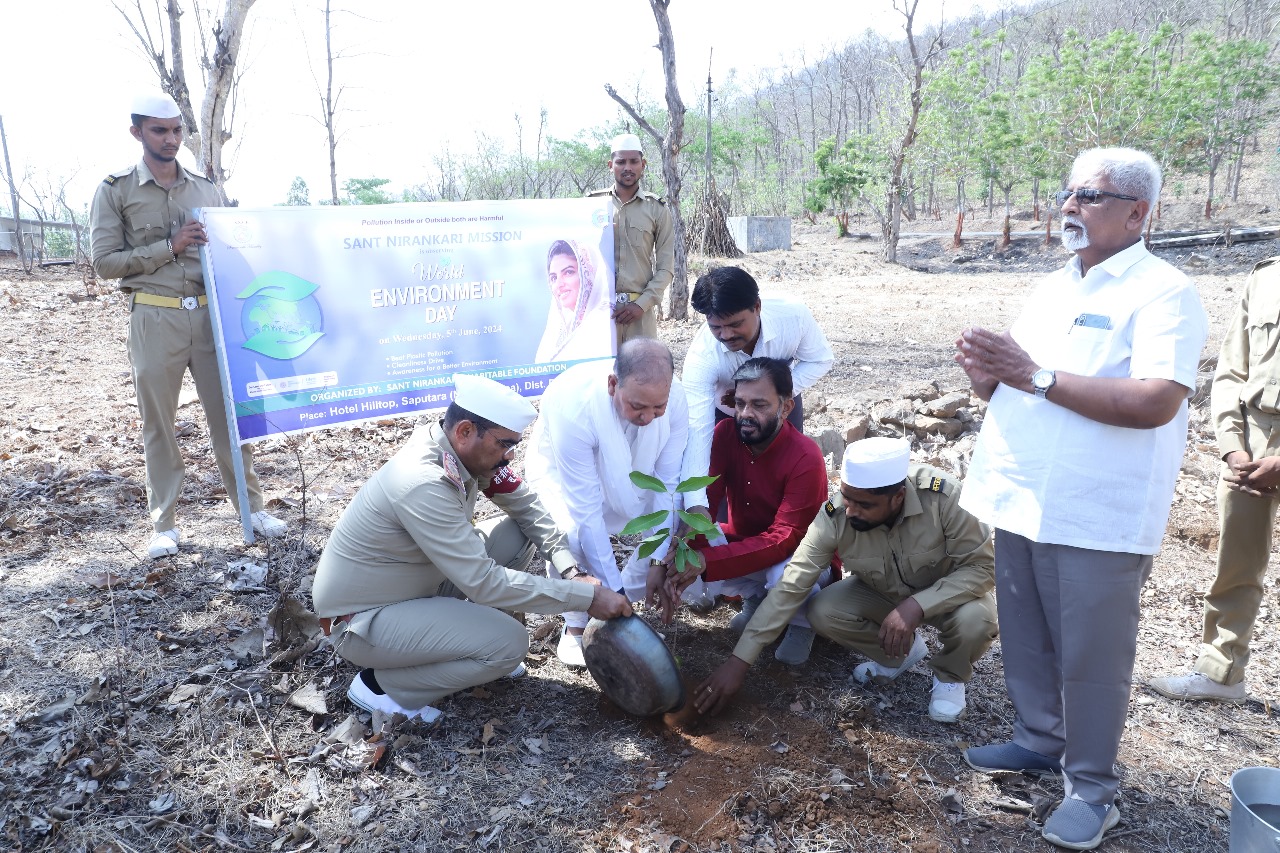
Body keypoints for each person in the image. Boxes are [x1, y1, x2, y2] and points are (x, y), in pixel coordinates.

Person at [954, 147, 1208, 851]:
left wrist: (1028, 372)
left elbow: (1156, 399)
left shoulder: (1164, 292)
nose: (1069, 206)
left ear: (1137, 212)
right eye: (1066, 193)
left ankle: (1093, 787)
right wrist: (988, 375)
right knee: (1028, 633)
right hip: (1022, 492)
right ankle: (1039, 738)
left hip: (1098, 509)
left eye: (1089, 196)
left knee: (1091, 656)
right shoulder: (1054, 287)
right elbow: (1028, 383)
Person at [312, 374, 632, 723]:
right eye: (505, 445)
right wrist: (584, 598)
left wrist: (571, 568)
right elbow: (483, 582)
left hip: (414, 587)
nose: (509, 457)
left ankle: (476, 643)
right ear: (465, 431)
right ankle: (382, 686)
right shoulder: (423, 482)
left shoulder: (463, 452)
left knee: (517, 532)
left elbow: (528, 510)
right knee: (510, 644)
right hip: (362, 620)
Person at [90, 92, 286, 559]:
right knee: (159, 423)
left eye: (177, 129)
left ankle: (251, 507)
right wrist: (169, 247)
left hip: (210, 315)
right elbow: (103, 262)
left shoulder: (204, 188)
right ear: (137, 132)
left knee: (230, 419)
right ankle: (164, 524)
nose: (171, 138)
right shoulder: (115, 190)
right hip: (154, 316)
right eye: (160, 130)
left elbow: (229, 251)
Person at [690, 437, 996, 723]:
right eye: (847, 499)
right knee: (823, 610)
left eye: (864, 505)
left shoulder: (943, 498)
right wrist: (738, 662)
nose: (850, 512)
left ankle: (950, 676)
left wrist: (917, 605)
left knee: (977, 620)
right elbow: (791, 585)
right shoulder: (836, 514)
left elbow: (982, 567)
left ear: (898, 497)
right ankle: (900, 654)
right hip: (883, 594)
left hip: (947, 594)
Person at [1150, 255, 1280, 704]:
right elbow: (1231, 370)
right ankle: (1221, 674)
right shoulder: (1266, 277)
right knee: (1236, 568)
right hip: (1254, 443)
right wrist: (1232, 444)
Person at [525, 338, 688, 666]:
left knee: (676, 517)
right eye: (637, 407)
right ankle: (576, 627)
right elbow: (585, 511)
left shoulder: (677, 401)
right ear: (613, 385)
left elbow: (666, 485)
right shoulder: (574, 406)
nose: (648, 418)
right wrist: (614, 593)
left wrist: (657, 562)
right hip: (565, 476)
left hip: (633, 476)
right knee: (569, 534)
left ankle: (622, 609)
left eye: (658, 408)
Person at [663, 357, 828, 665]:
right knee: (688, 545)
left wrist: (707, 562)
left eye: (759, 405)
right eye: (740, 404)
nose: (746, 415)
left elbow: (786, 538)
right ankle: (756, 600)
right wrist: (682, 551)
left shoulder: (806, 456)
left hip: (801, 556)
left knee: (785, 574)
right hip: (746, 541)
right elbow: (705, 503)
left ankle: (802, 625)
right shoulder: (726, 434)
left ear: (786, 407)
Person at [679, 266, 833, 523]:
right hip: (723, 413)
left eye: (735, 324)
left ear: (757, 307)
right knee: (720, 486)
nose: (726, 335)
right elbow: (697, 431)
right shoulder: (702, 357)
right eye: (716, 327)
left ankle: (783, 536)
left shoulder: (792, 317)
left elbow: (820, 359)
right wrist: (696, 503)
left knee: (782, 473)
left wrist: (773, 395)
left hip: (782, 404)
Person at [587, 133, 675, 346]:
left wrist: (641, 305)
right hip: (598, 314)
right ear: (611, 165)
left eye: (634, 161)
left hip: (640, 316)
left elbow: (666, 269)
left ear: (643, 165)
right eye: (621, 162)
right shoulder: (590, 205)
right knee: (601, 376)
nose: (628, 167)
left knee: (641, 375)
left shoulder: (658, 209)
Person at [534, 239, 613, 363]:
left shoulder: (605, 321)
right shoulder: (562, 328)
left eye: (568, 272)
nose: (558, 284)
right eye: (553, 278)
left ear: (588, 274)